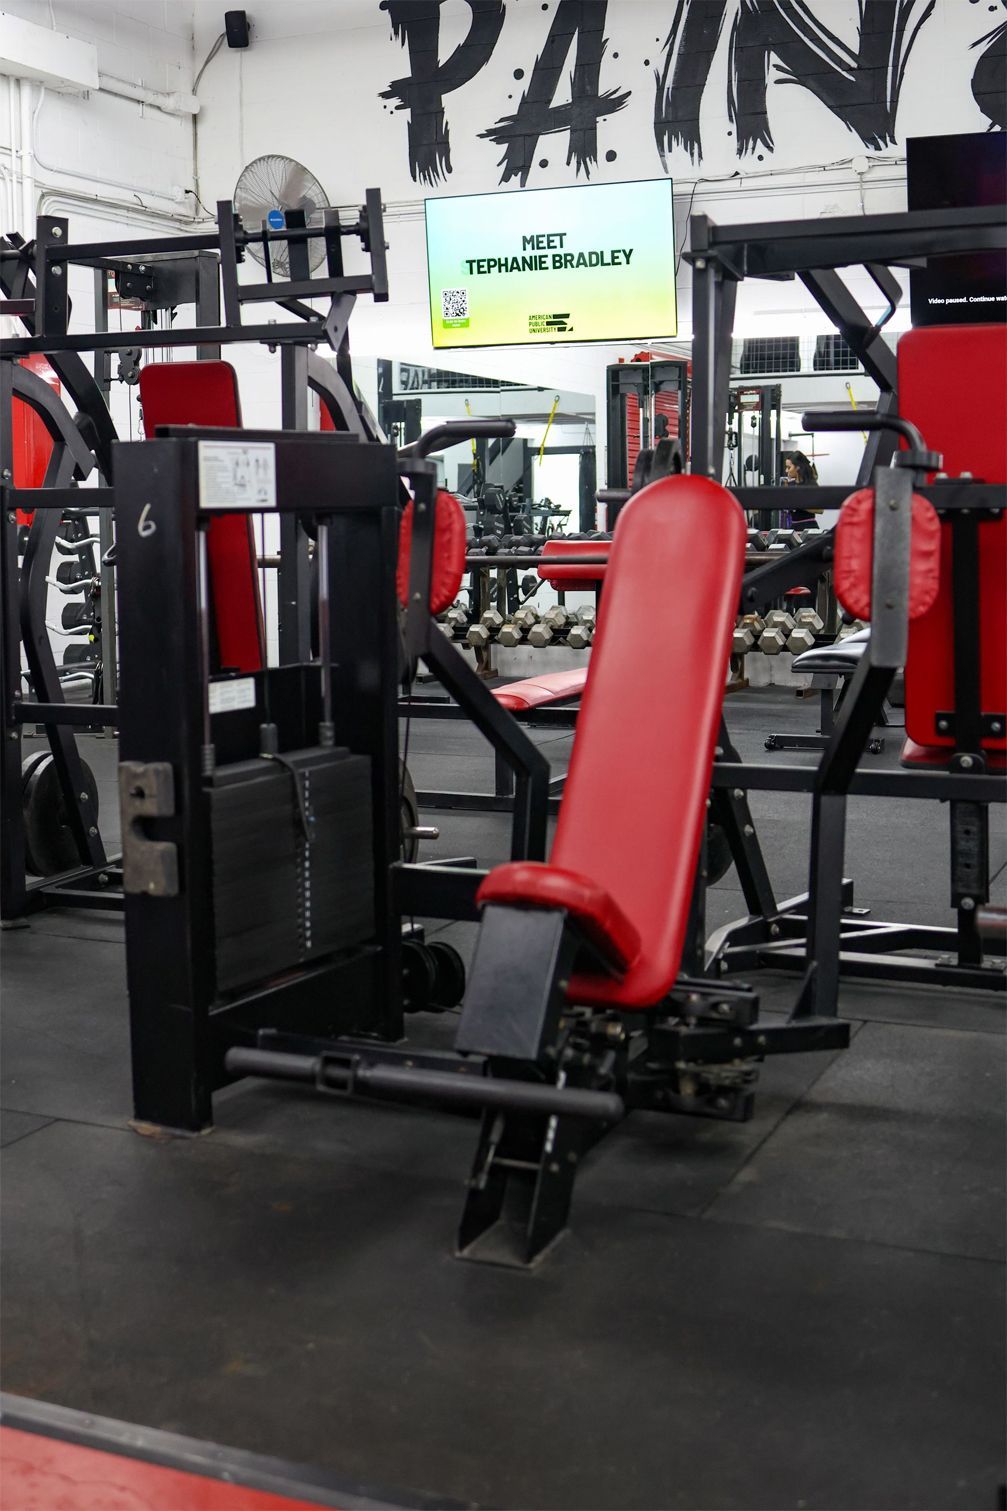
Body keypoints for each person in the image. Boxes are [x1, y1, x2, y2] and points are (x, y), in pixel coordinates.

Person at [782, 450, 820, 528]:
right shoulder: (790, 485)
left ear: (798, 467)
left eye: (789, 467)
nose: (786, 470)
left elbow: (820, 509)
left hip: (809, 527)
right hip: (794, 526)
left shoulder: (811, 485)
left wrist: (798, 503)